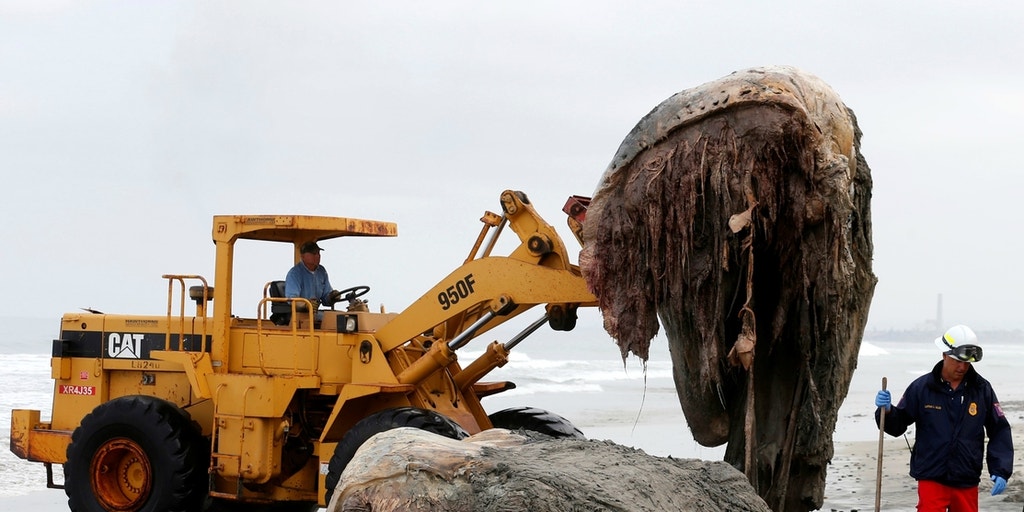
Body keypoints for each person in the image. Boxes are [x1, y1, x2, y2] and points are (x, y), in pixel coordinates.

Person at [874, 324, 1013, 512]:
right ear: (944, 354)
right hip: (932, 476)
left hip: (966, 477)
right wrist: (888, 411)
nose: (962, 367)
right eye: (957, 361)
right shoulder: (921, 388)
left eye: (967, 362)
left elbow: (999, 430)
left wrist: (1000, 469)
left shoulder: (982, 389)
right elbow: (898, 425)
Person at [285, 241, 342, 321]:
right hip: (299, 315)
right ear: (303, 256)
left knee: (342, 317)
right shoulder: (295, 273)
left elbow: (326, 298)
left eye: (318, 253)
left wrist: (332, 296)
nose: (317, 256)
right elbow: (292, 299)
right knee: (333, 320)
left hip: (314, 313)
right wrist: (306, 304)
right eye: (314, 253)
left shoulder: (321, 271)